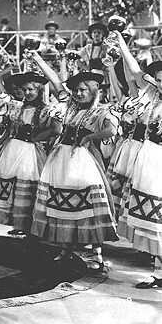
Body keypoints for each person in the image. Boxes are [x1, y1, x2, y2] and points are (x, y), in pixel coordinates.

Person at [31, 50, 119, 272]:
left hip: (84, 161)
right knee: (62, 201)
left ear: (93, 91)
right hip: (61, 159)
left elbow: (111, 129)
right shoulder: (70, 105)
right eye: (76, 90)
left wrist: (90, 137)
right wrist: (38, 59)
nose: (78, 94)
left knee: (88, 204)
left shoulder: (100, 111)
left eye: (83, 90)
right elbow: (55, 81)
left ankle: (96, 253)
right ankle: (65, 248)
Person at [0, 71, 61, 239]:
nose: (27, 93)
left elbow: (56, 129)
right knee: (3, 185)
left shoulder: (46, 110)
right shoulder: (16, 106)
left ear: (39, 90)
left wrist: (37, 137)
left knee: (28, 187)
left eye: (31, 89)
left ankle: (29, 231)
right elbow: (10, 128)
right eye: (25, 90)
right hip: (11, 150)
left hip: (30, 154)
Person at [114, 32, 162, 289]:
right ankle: (159, 273)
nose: (161, 84)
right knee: (152, 219)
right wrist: (122, 43)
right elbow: (134, 71)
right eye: (159, 80)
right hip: (149, 158)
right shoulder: (154, 96)